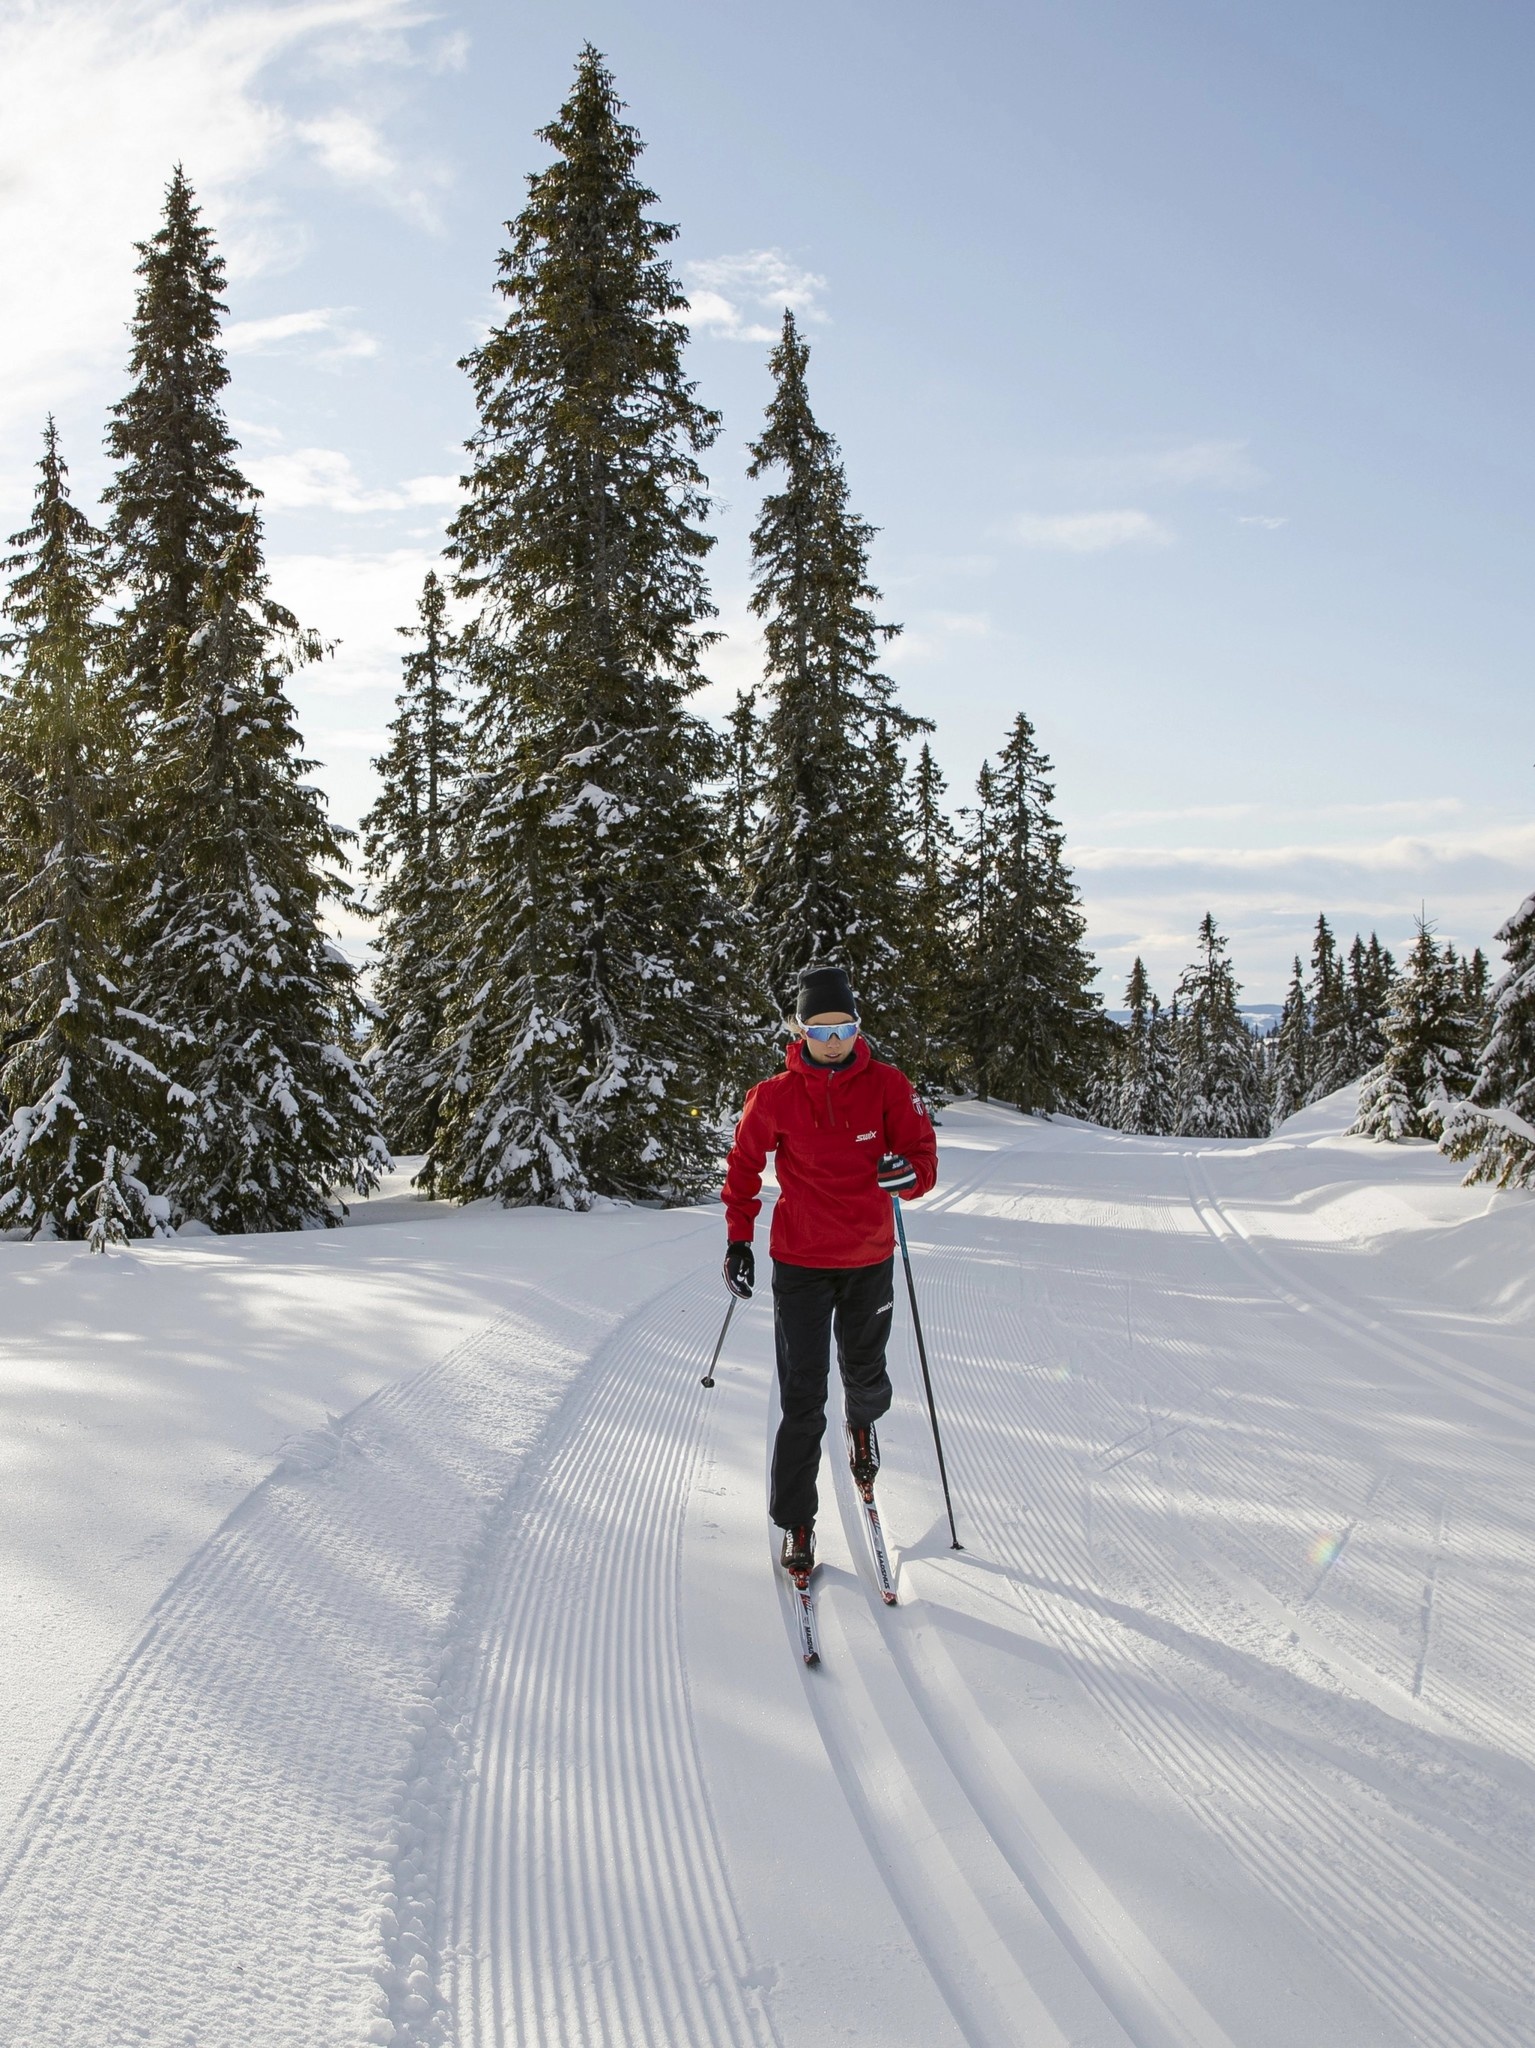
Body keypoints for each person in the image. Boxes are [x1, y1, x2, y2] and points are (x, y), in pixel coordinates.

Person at [721, 963, 938, 1575]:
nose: (834, 1041)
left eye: (843, 1028)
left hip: (869, 1256)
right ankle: (797, 1521)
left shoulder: (889, 1085)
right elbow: (742, 1168)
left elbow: (922, 1157)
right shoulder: (774, 1096)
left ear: (857, 1026)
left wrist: (910, 1178)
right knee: (802, 1397)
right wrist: (739, 1241)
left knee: (866, 1375)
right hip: (801, 1262)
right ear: (800, 1031)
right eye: (820, 1031)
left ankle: (863, 1423)